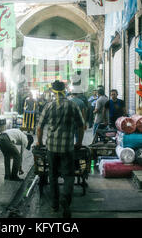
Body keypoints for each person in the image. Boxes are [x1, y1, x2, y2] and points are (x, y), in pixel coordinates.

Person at [36, 80, 85, 218]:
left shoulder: (48, 106)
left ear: (53, 91)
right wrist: (79, 142)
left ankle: (54, 205)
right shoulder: (72, 105)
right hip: (67, 148)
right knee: (69, 175)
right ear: (65, 90)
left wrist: (39, 142)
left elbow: (39, 128)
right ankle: (65, 199)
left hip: (51, 148)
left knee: (52, 176)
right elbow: (82, 125)